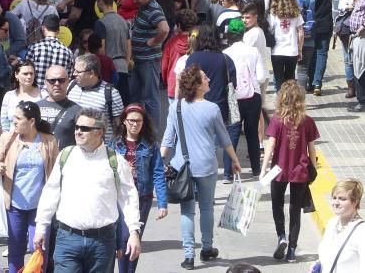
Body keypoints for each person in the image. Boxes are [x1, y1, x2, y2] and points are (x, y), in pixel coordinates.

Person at [33, 108, 142, 273]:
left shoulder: (116, 161)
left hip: (102, 242)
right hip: (67, 238)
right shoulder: (66, 156)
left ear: (100, 132)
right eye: (76, 127)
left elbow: (128, 198)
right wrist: (41, 227)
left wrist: (133, 231)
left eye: (84, 128)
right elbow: (51, 193)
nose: (78, 132)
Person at [162, 66, 242, 270]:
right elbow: (225, 139)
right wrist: (234, 160)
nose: (208, 80)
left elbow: (168, 140)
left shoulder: (176, 107)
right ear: (197, 86)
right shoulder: (212, 109)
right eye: (205, 78)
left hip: (182, 167)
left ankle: (189, 256)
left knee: (187, 211)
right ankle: (207, 248)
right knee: (206, 207)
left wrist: (160, 162)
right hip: (206, 165)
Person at [0, 102, 58, 273]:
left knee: (39, 248)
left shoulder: (49, 140)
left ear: (32, 121)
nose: (14, 122)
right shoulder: (8, 138)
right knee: (15, 249)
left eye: (18, 118)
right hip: (14, 205)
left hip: (40, 206)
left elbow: (57, 171)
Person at [261, 80, 319, 264]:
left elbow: (270, 146)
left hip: (278, 170)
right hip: (300, 171)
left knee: (277, 204)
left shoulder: (277, 121)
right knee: (295, 210)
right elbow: (312, 148)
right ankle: (292, 250)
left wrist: (263, 169)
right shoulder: (308, 121)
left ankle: (281, 236)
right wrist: (314, 169)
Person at [112, 104, 167, 273]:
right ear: (124, 122)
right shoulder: (114, 144)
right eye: (131, 121)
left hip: (142, 198)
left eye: (138, 121)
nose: (135, 124)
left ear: (144, 123)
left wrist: (162, 203)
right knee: (122, 238)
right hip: (119, 197)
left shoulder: (150, 145)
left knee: (134, 238)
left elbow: (158, 173)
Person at [221, 18, 266, 182]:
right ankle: (255, 169)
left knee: (231, 133)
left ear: (228, 34)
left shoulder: (225, 54)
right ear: (242, 34)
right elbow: (261, 77)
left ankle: (227, 173)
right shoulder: (253, 51)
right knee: (252, 133)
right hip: (253, 96)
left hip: (233, 97)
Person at [315, 179, 365, 273]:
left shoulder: (364, 233)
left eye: (342, 199)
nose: (336, 203)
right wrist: (318, 264)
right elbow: (327, 257)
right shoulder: (332, 223)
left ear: (355, 202)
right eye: (334, 197)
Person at [129, 0, 169, 126]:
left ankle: (152, 131)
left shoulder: (154, 9)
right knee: (136, 94)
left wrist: (153, 41)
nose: (135, 1)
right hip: (139, 59)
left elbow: (164, 29)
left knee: (150, 97)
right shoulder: (144, 7)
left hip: (148, 60)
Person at [68, 54, 124, 144]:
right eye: (74, 70)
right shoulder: (71, 86)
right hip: (74, 147)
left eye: (78, 72)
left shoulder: (111, 94)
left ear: (91, 73)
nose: (74, 74)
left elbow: (119, 126)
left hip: (100, 150)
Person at [94, 0, 131, 102]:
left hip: (109, 68)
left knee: (110, 103)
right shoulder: (123, 21)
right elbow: (129, 44)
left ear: (100, 1)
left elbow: (101, 49)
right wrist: (127, 61)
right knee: (123, 102)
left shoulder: (101, 23)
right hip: (123, 66)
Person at [305, 0, 334, 96]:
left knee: (311, 53)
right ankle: (318, 83)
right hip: (326, 22)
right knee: (322, 53)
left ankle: (310, 82)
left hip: (312, 23)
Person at [267, 0, 303, 92]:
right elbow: (301, 33)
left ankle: (280, 102)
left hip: (277, 51)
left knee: (279, 80)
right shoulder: (296, 14)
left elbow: (270, 30)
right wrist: (300, 49)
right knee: (290, 80)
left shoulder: (273, 14)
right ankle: (290, 103)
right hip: (292, 51)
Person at [37, 65, 82, 149]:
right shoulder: (35, 108)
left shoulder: (77, 110)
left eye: (61, 80)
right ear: (45, 82)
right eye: (52, 81)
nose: (57, 84)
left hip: (65, 160)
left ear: (68, 82)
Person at [26, 14, 74, 90]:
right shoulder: (68, 52)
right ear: (58, 31)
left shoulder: (34, 47)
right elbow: (69, 77)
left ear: (43, 28)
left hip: (36, 93)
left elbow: (27, 71)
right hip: (57, 95)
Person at [1, 61, 47, 133]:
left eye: (31, 73)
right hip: (13, 141)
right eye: (25, 74)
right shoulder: (9, 96)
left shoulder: (43, 95)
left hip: (37, 140)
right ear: (16, 75)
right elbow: (4, 124)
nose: (29, 77)